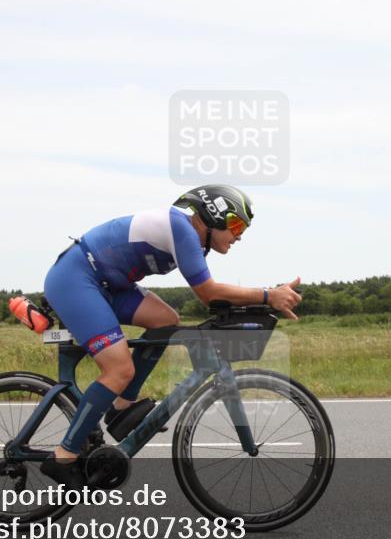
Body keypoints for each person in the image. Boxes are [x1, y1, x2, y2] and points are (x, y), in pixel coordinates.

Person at [40, 184, 302, 487]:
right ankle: (64, 455)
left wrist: (265, 299)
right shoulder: (183, 230)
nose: (238, 235)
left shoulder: (189, 237)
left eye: (242, 229)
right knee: (119, 369)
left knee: (166, 320)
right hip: (78, 278)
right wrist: (269, 295)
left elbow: (212, 295)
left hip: (108, 285)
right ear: (213, 216)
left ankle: (122, 405)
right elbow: (209, 293)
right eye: (235, 225)